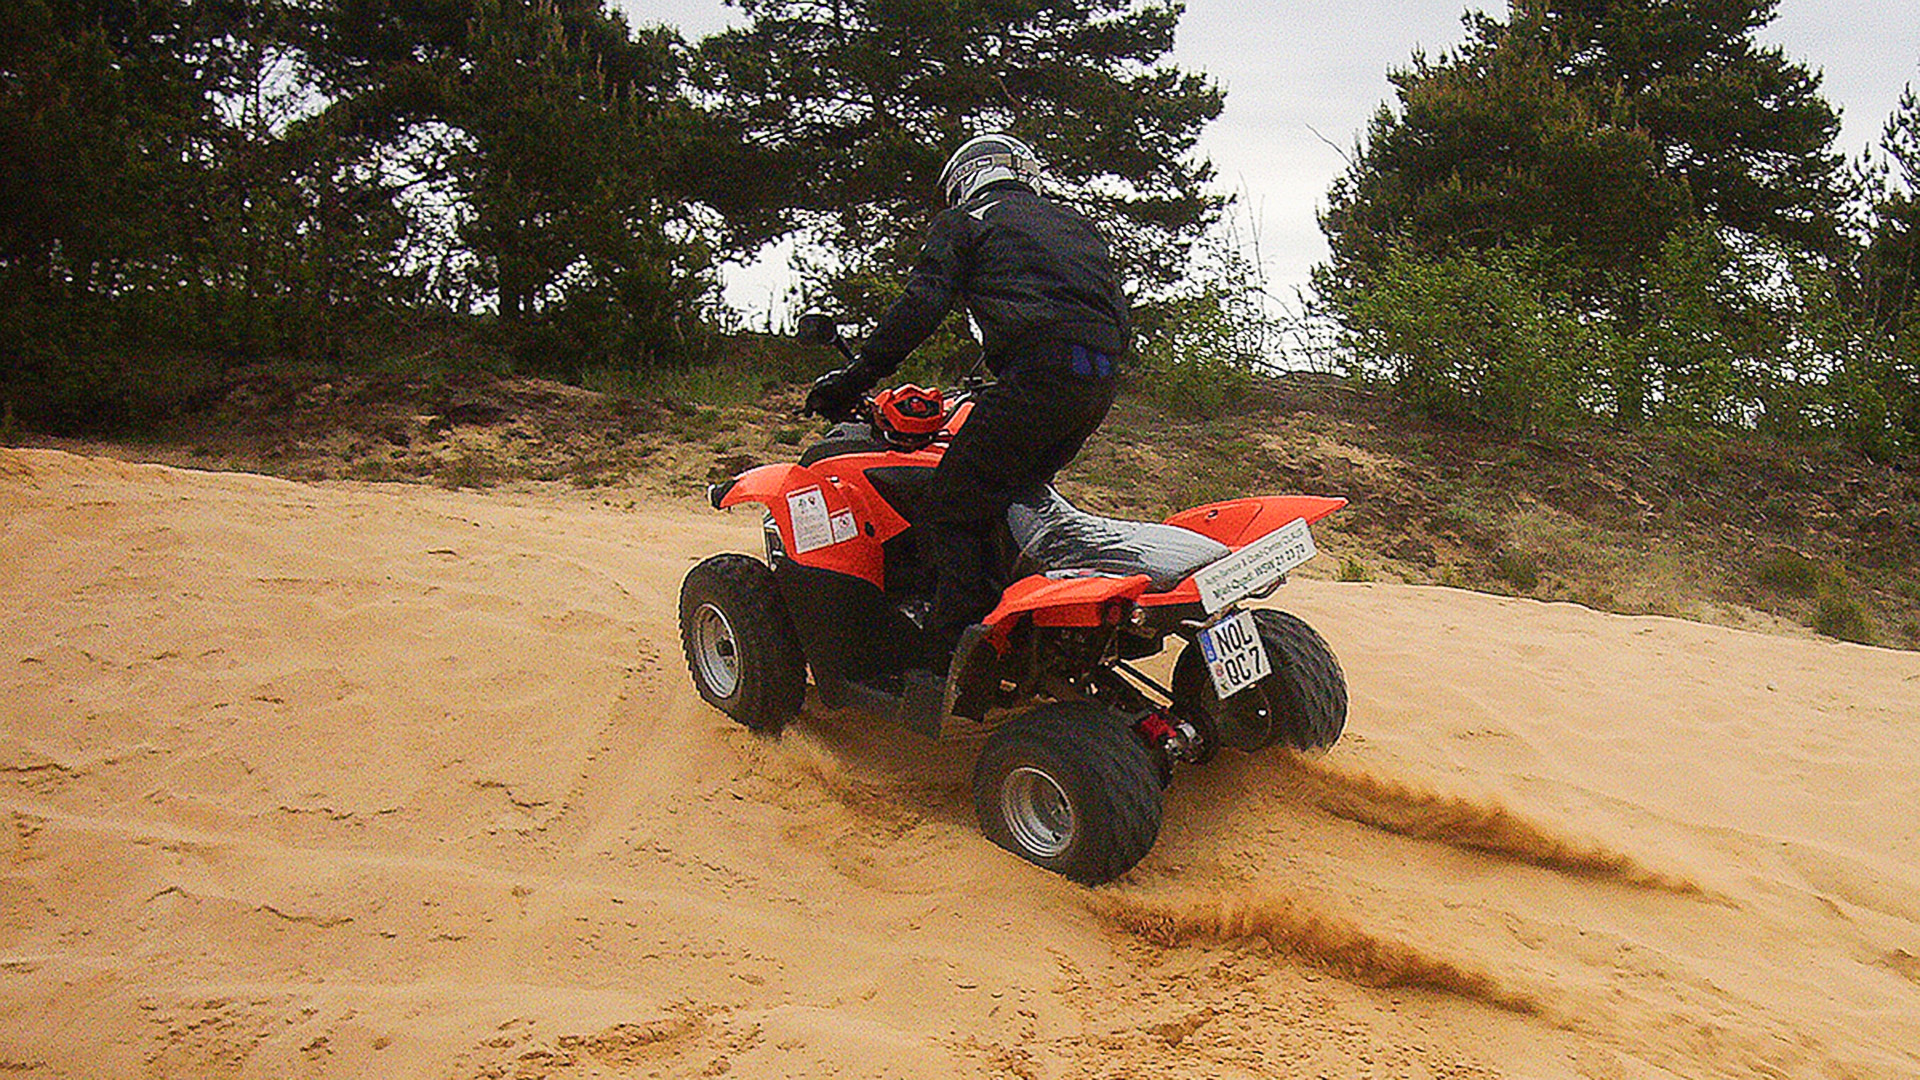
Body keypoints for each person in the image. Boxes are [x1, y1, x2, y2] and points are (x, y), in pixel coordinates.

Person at [803, 132, 1131, 665]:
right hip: (1097, 383)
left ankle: (953, 650)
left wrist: (856, 376)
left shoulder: (967, 221)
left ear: (963, 179)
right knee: (1016, 497)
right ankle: (1035, 624)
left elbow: (921, 305)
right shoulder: (1075, 228)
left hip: (1038, 378)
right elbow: (1114, 317)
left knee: (952, 504)